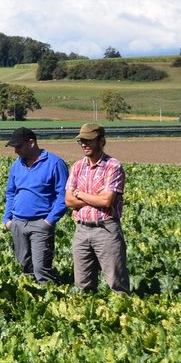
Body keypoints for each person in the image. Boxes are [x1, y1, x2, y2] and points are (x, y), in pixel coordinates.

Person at [66, 123, 130, 293]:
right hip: (81, 230)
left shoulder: (113, 166)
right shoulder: (77, 166)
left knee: (116, 282)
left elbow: (106, 201)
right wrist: (94, 197)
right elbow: (69, 201)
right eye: (81, 141)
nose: (84, 144)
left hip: (106, 229)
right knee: (82, 284)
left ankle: (123, 308)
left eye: (89, 140)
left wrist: (80, 193)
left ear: (101, 141)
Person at [2, 127, 69, 283]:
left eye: (18, 146)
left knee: (41, 269)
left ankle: (49, 294)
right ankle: (31, 293)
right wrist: (7, 220)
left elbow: (63, 195)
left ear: (31, 143)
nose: (15, 151)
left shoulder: (55, 163)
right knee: (24, 266)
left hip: (40, 223)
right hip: (17, 223)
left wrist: (48, 221)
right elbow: (11, 193)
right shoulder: (16, 165)